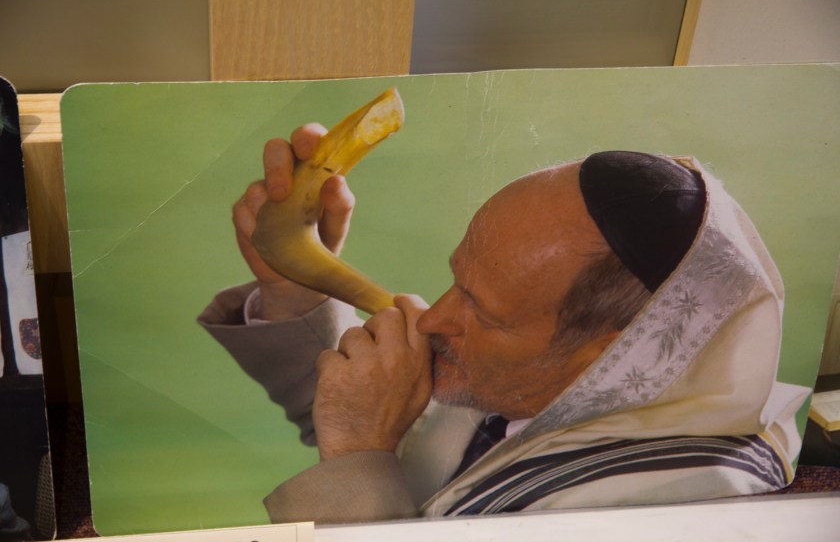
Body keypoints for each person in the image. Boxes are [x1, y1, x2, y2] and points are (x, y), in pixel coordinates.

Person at [199, 124, 809, 524]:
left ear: (608, 355)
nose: (434, 317)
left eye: (481, 310)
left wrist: (360, 451)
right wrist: (294, 288)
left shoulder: (678, 513)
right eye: (457, 280)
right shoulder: (544, 383)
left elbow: (371, 448)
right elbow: (386, 434)